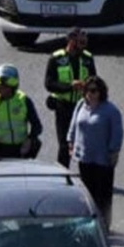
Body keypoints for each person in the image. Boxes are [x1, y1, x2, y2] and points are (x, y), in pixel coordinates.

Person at [67, 76, 123, 228]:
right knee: (86, 194)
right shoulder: (80, 105)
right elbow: (74, 126)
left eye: (93, 91)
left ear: (101, 92)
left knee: (102, 196)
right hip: (84, 158)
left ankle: (104, 225)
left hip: (103, 159)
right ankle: (88, 222)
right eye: (87, 90)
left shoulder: (110, 110)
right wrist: (71, 142)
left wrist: (114, 152)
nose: (89, 94)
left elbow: (117, 133)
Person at [45, 27, 97, 167]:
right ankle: (62, 173)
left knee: (83, 143)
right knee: (64, 144)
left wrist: (86, 87)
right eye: (79, 41)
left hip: (82, 107)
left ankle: (86, 175)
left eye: (84, 42)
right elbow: (49, 84)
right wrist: (69, 86)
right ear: (70, 41)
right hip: (63, 106)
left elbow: (94, 81)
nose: (82, 45)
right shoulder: (56, 58)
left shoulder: (88, 58)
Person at [0, 63, 43, 159]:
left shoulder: (24, 100)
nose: (3, 90)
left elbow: (37, 125)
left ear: (13, 87)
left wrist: (30, 139)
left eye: (7, 87)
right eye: (0, 87)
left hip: (21, 150)